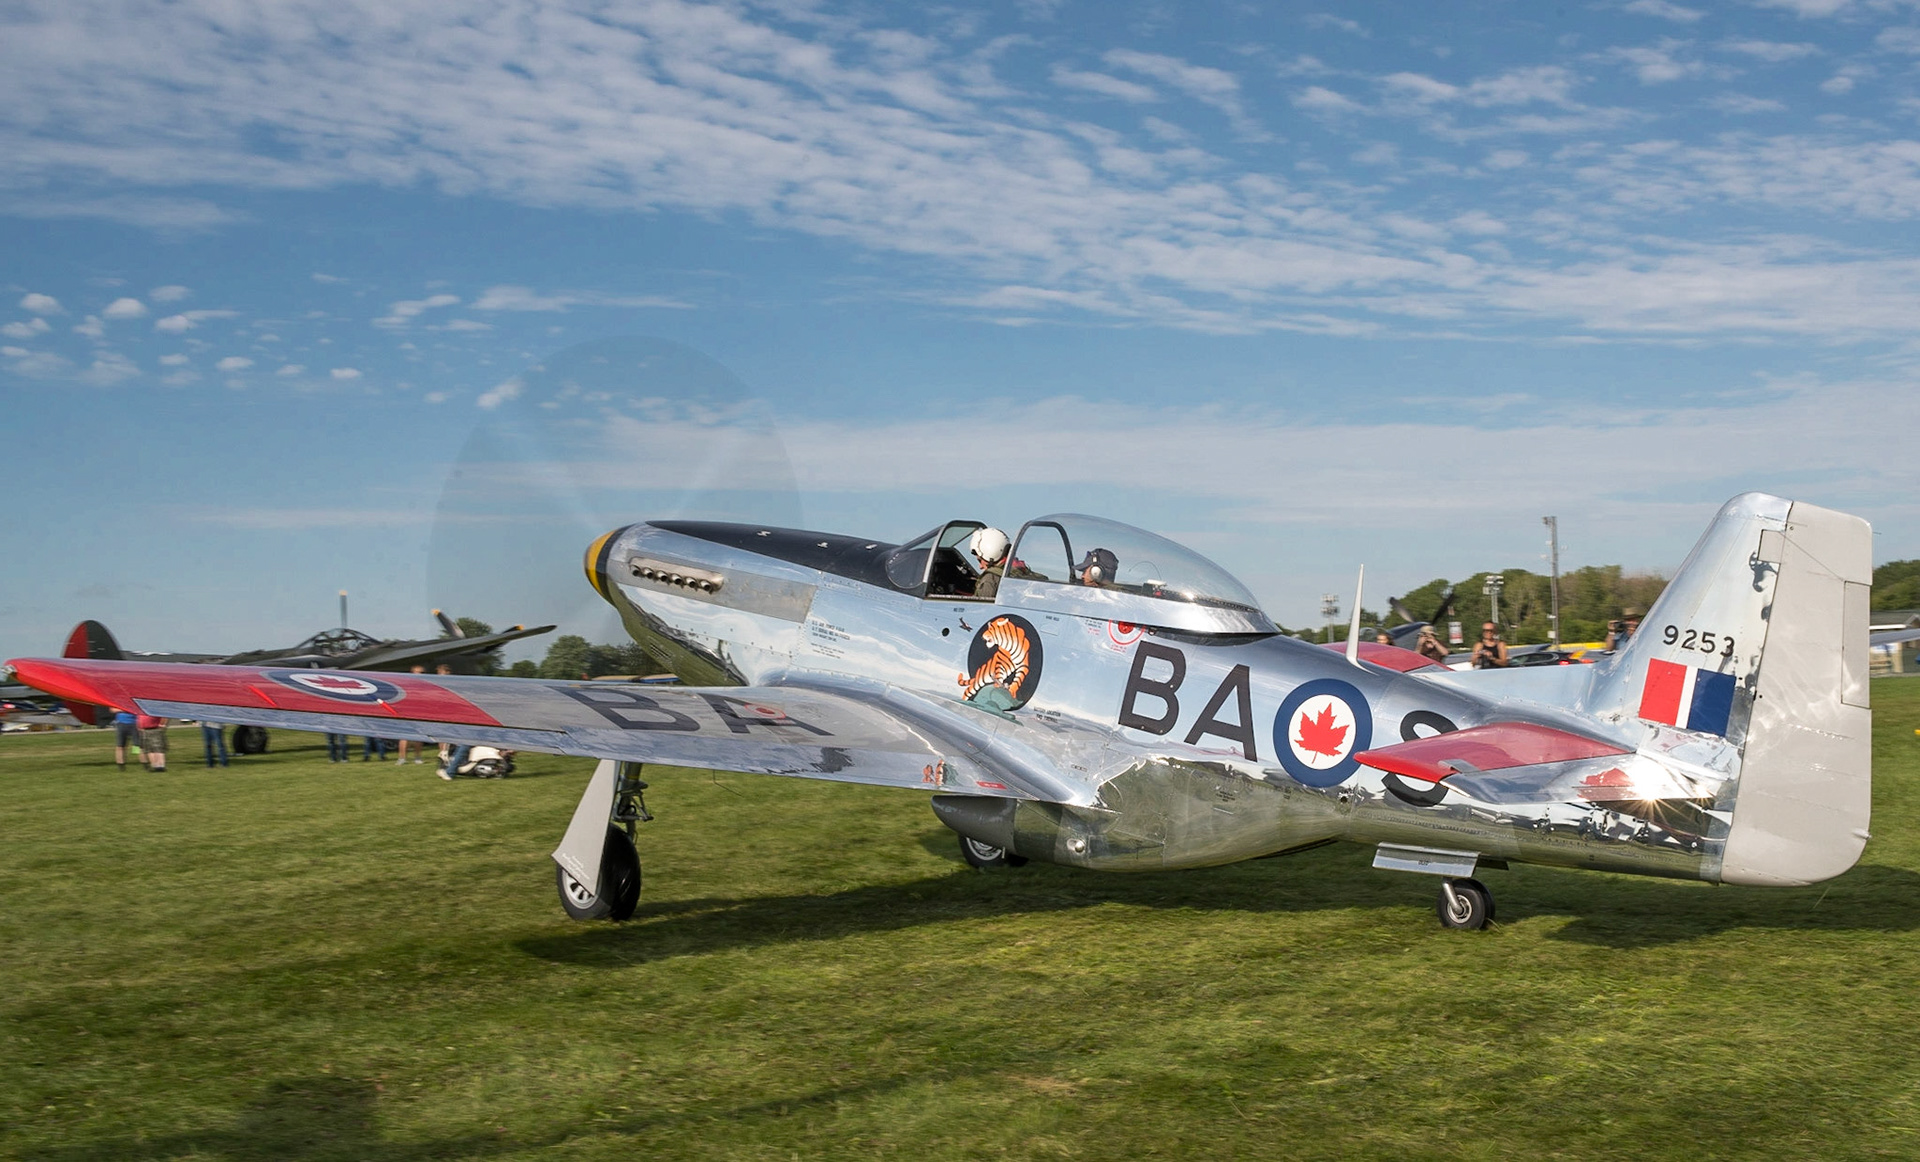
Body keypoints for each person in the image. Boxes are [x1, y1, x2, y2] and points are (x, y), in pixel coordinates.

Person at [968, 527, 1010, 600]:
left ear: (990, 555)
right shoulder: (1019, 571)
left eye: (980, 560)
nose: (980, 566)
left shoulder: (990, 579)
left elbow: (982, 609)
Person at [397, 665, 427, 764]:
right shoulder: (407, 684)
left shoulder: (425, 685)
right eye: (417, 672)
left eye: (422, 672)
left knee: (419, 737)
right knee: (404, 737)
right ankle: (402, 758)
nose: (419, 674)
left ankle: (417, 757)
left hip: (420, 713)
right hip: (407, 712)